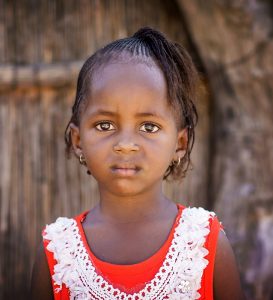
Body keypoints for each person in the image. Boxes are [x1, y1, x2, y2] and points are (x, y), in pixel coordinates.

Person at [30, 27, 245, 300]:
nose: (126, 143)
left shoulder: (204, 243)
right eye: (105, 125)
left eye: (149, 126)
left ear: (179, 144)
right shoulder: (57, 253)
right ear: (78, 139)